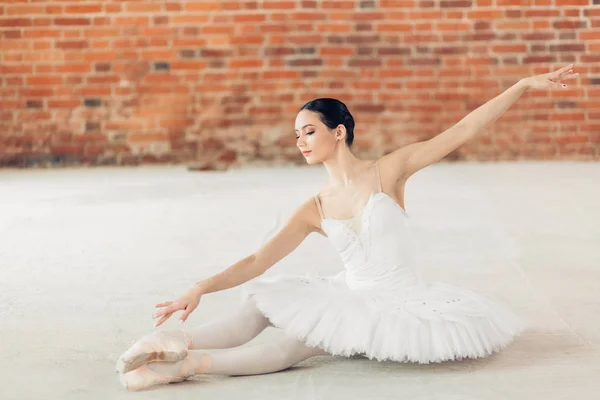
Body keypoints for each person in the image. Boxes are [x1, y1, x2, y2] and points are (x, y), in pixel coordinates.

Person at [116, 64, 578, 391]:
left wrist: (521, 85)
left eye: (309, 131)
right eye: (296, 134)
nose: (300, 141)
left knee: (294, 347)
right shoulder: (314, 207)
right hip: (349, 293)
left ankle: (183, 367)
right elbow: (259, 260)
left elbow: (458, 132)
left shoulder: (388, 171)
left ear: (338, 131)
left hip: (397, 301)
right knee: (258, 307)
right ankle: (167, 342)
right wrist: (198, 286)